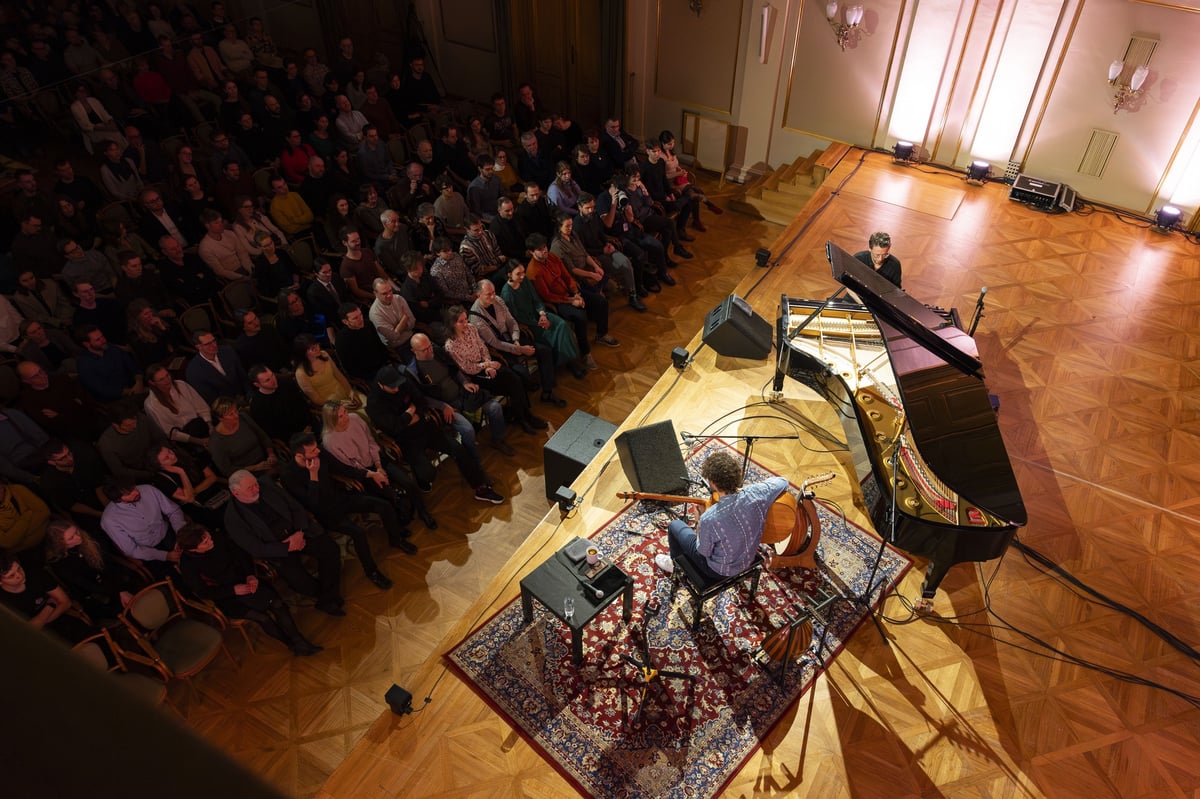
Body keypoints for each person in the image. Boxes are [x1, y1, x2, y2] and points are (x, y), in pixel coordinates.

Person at [279, 432, 411, 590]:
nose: (318, 451)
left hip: (339, 498)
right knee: (358, 533)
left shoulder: (320, 453)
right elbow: (311, 503)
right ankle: (372, 572)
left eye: (316, 447)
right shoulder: (288, 475)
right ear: (300, 456)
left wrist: (371, 474)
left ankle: (396, 539)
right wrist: (313, 474)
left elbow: (343, 469)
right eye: (313, 451)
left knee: (383, 505)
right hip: (324, 513)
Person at [176, 523, 323, 656]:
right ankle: (290, 644)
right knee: (262, 618)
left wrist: (250, 575)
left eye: (208, 536)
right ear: (193, 549)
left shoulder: (218, 538)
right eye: (205, 542)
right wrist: (234, 590)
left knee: (278, 604)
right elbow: (203, 592)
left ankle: (299, 641)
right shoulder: (188, 565)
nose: (211, 540)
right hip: (226, 594)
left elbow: (241, 555)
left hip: (243, 578)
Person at [366, 365, 503, 503]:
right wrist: (410, 412)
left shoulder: (403, 382)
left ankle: (480, 488)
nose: (397, 389)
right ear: (381, 385)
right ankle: (422, 478)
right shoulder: (374, 404)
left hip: (425, 427)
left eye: (397, 385)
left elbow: (420, 401)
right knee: (428, 474)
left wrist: (410, 416)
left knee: (459, 450)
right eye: (392, 387)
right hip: (406, 440)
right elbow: (394, 427)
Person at [224, 470, 345, 617]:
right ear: (236, 493)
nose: (256, 489)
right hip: (277, 549)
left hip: (298, 531)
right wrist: (287, 546)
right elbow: (256, 548)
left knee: (330, 550)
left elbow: (295, 507)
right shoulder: (233, 518)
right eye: (250, 488)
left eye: (255, 484)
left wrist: (299, 532)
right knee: (299, 582)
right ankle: (328, 596)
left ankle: (327, 599)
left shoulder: (266, 484)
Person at [654, 450, 789, 579]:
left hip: (719, 571)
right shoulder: (757, 492)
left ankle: (675, 565)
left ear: (713, 483)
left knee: (675, 525)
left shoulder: (709, 519)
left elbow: (703, 551)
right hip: (748, 558)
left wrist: (699, 521)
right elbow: (783, 481)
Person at [443, 305, 547, 435]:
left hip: (487, 365)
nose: (466, 323)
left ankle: (525, 416)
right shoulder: (450, 346)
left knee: (515, 379)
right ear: (452, 323)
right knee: (513, 383)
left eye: (466, 319)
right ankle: (524, 417)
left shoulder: (471, 328)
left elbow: (483, 348)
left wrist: (488, 364)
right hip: (475, 376)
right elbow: (466, 367)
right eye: (461, 321)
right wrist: (487, 365)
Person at [408, 332, 512, 455]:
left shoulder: (437, 352)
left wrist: (464, 382)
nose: (429, 350)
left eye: (430, 346)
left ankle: (497, 440)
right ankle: (471, 457)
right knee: (467, 430)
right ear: (413, 351)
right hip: (446, 405)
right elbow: (422, 397)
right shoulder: (413, 371)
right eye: (424, 350)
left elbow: (454, 369)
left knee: (495, 407)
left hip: (462, 393)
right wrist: (442, 406)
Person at [470, 279, 564, 407]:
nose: (493, 296)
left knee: (545, 351)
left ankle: (547, 392)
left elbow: (511, 321)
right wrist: (519, 349)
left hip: (512, 339)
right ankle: (525, 399)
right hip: (499, 350)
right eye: (488, 294)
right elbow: (495, 343)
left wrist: (515, 339)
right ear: (478, 295)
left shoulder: (498, 300)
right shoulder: (475, 317)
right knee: (521, 373)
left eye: (494, 292)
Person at [43, 518, 148, 622]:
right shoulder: (60, 564)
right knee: (130, 610)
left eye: (76, 532)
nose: (78, 537)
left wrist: (120, 588)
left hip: (108, 580)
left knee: (139, 592)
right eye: (71, 538)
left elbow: (106, 564)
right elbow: (87, 585)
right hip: (95, 595)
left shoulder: (86, 539)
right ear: (60, 544)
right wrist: (119, 592)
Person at [500, 263, 582, 378]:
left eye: (523, 272)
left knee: (562, 325)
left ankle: (569, 361)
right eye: (518, 274)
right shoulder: (507, 293)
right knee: (552, 333)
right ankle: (569, 363)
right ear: (509, 274)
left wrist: (542, 314)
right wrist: (538, 322)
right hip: (528, 323)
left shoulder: (525, 281)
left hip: (538, 314)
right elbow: (515, 317)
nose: (522, 276)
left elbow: (536, 300)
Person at [0, 551, 96, 644]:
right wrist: (49, 606)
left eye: (19, 568)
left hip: (65, 621)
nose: (20, 575)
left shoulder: (34, 574)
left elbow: (66, 602)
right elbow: (24, 633)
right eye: (11, 576)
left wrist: (39, 623)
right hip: (39, 639)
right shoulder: (3, 603)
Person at [99, 479, 187, 578]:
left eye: (133, 488)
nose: (136, 492)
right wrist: (165, 556)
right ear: (118, 500)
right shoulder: (109, 520)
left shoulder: (148, 489)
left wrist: (180, 534)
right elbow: (131, 550)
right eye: (129, 494)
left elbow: (173, 511)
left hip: (169, 533)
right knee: (172, 577)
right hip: (148, 551)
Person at [148, 443, 227, 531]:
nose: (172, 456)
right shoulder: (162, 479)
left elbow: (212, 477)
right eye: (166, 458)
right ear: (160, 465)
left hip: (218, 495)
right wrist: (181, 472)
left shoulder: (185, 456)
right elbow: (190, 499)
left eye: (170, 451)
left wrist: (193, 491)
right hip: (201, 508)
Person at [209, 397, 279, 478]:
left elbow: (263, 437)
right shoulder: (216, 441)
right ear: (220, 418)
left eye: (236, 411)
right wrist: (255, 467)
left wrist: (271, 454)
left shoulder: (243, 417)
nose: (236, 416)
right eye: (231, 414)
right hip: (246, 474)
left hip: (266, 461)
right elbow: (227, 470)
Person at [292, 333, 360, 409]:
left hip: (343, 391)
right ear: (303, 353)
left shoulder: (324, 354)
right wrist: (339, 405)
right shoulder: (300, 373)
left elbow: (339, 375)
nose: (317, 349)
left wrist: (350, 392)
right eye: (312, 348)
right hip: (330, 404)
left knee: (364, 404)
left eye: (317, 345)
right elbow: (316, 399)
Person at [185, 330, 252, 403]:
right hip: (226, 405)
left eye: (214, 341)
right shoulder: (193, 371)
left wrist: (250, 395)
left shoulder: (228, 351)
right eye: (208, 344)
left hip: (244, 395)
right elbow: (211, 398)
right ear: (198, 347)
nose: (214, 345)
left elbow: (243, 376)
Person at [0, 478, 50, 552]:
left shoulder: (17, 490)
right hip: (24, 551)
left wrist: (17, 537)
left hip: (48, 534)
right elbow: (7, 542)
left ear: (1, 485)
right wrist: (27, 516)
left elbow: (44, 511)